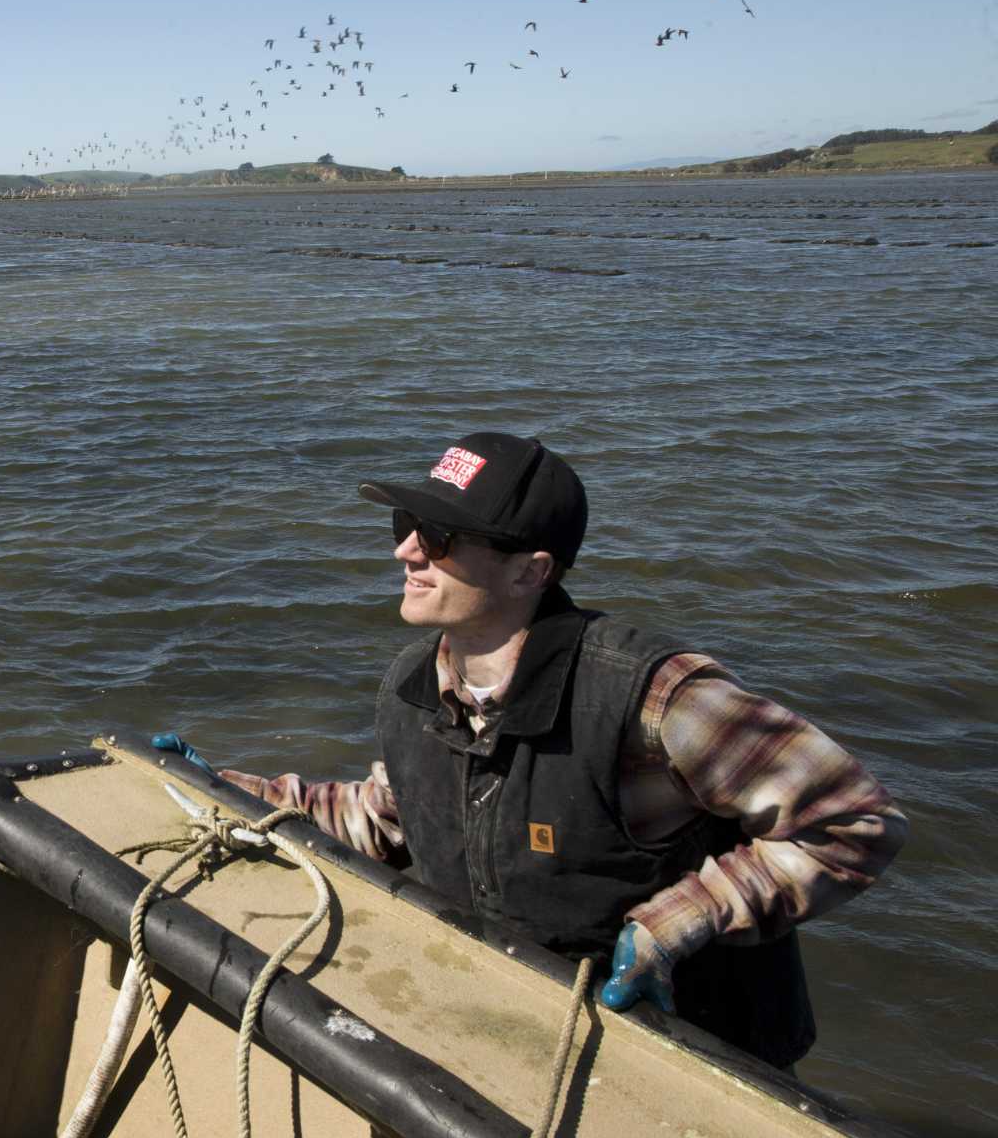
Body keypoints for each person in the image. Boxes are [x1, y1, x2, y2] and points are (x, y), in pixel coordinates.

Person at [158, 432, 906, 1068]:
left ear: (530, 571)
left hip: (699, 1048)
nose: (408, 551)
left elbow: (853, 820)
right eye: (405, 522)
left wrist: (675, 924)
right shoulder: (412, 688)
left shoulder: (650, 695)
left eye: (441, 537)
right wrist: (224, 788)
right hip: (528, 1037)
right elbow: (389, 818)